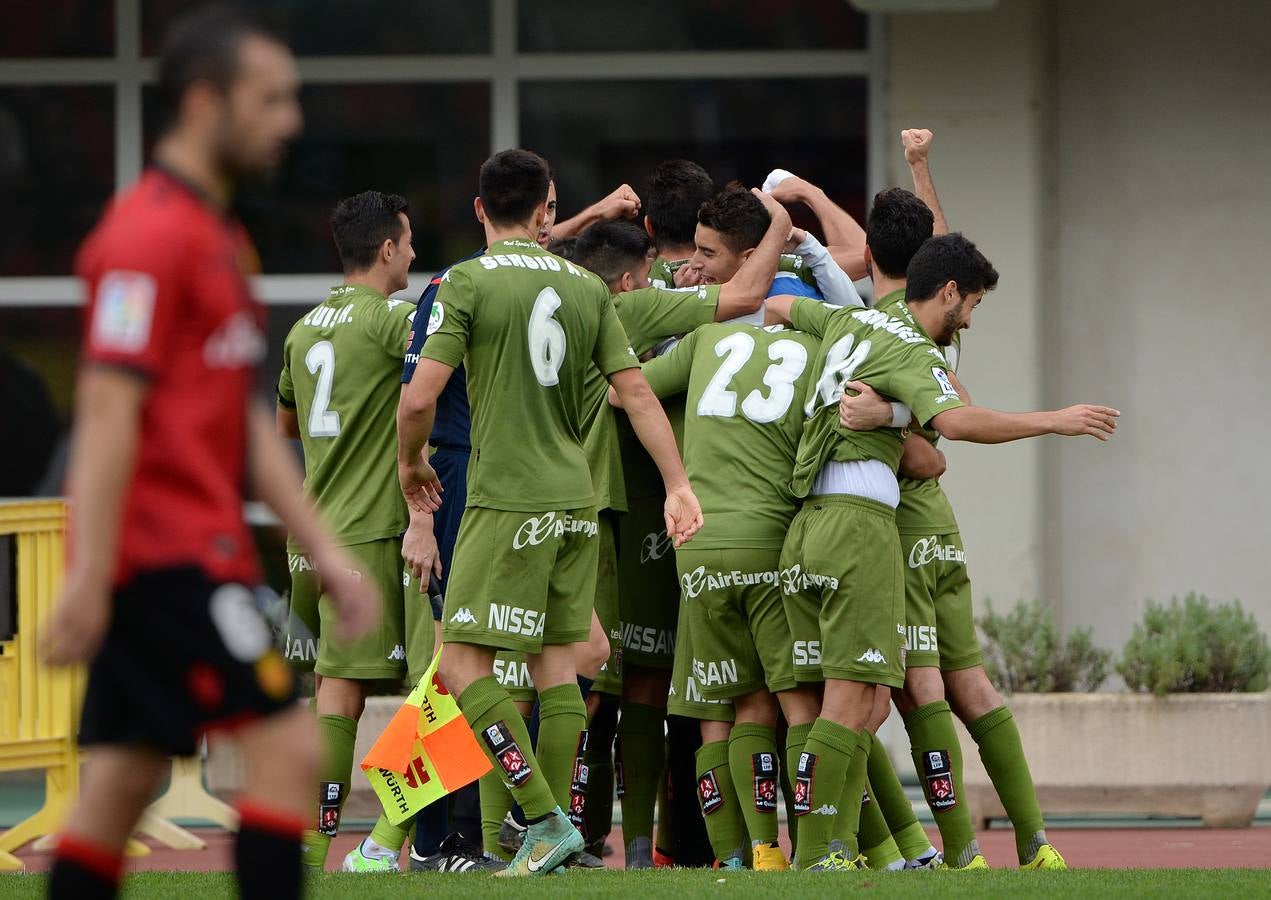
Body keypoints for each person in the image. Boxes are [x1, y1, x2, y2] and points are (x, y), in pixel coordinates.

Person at [41, 8, 375, 899]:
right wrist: (87, 576)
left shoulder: (221, 236)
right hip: (166, 563)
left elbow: (245, 429)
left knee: (114, 789)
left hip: (196, 552)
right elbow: (107, 411)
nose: (291, 121)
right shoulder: (145, 240)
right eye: (272, 99)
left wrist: (329, 551)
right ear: (204, 101)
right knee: (290, 749)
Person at [766, 233, 1117, 870]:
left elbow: (783, 308)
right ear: (949, 292)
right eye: (974, 303)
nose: (972, 319)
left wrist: (891, 412)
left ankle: (839, 850)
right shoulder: (910, 347)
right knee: (859, 699)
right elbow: (955, 428)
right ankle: (827, 853)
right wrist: (1054, 419)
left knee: (853, 701)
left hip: (803, 523)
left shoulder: (855, 319)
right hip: (862, 527)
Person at [396, 149, 704, 877]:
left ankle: (538, 817)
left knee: (464, 664)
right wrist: (677, 484)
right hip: (577, 499)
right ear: (545, 210)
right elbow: (633, 391)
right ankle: (552, 837)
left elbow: (417, 397)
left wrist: (411, 469)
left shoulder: (464, 281)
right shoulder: (584, 285)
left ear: (478, 210)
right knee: (566, 662)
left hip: (507, 498)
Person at [839, 129, 1068, 871]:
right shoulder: (940, 326)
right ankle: (1033, 845)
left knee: (888, 690)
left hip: (885, 525)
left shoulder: (861, 327)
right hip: (941, 529)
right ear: (946, 285)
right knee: (966, 679)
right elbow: (946, 249)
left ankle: (950, 851)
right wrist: (919, 167)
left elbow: (936, 442)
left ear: (865, 255)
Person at [272, 190, 427, 872]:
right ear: (388, 248)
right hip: (368, 534)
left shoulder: (304, 328)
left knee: (329, 690)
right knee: (431, 680)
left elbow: (285, 424)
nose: (415, 254)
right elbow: (429, 393)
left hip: (311, 532)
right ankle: (383, 846)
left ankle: (315, 843)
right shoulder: (391, 324)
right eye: (410, 242)